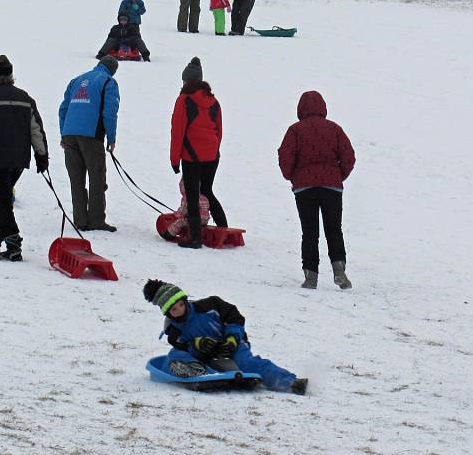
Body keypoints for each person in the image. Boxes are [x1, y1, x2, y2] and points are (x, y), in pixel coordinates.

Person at [143, 279, 308, 395]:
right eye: (174, 309)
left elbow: (234, 318)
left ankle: (290, 383)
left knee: (248, 363)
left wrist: (232, 338)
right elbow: (181, 345)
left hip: (230, 345)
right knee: (174, 357)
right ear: (167, 313)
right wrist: (197, 345)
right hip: (203, 356)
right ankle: (199, 373)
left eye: (181, 304)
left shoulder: (210, 305)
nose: (180, 310)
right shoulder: (173, 329)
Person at [0, 55, 49, 261]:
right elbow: (36, 129)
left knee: (2, 199)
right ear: (10, 74)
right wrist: (41, 155)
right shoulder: (24, 97)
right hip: (20, 158)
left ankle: (13, 244)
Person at [278, 91, 356, 290]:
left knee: (309, 232)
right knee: (334, 229)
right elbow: (349, 156)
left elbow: (285, 157)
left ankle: (310, 275)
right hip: (331, 187)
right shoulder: (335, 129)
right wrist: (338, 176)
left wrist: (293, 177)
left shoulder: (295, 130)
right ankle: (339, 270)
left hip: (305, 188)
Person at [170, 57, 227, 248]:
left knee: (193, 195)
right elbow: (219, 130)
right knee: (207, 190)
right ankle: (222, 226)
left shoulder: (184, 100)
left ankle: (195, 238)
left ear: (187, 81)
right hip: (212, 155)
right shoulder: (214, 101)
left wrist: (174, 159)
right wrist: (214, 151)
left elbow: (177, 131)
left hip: (191, 155)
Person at [59, 56, 120, 232]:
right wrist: (111, 137)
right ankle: (96, 220)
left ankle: (80, 220)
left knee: (76, 179)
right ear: (112, 69)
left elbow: (63, 109)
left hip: (70, 134)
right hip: (91, 135)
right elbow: (110, 111)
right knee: (97, 177)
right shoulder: (108, 82)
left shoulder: (76, 80)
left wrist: (64, 134)